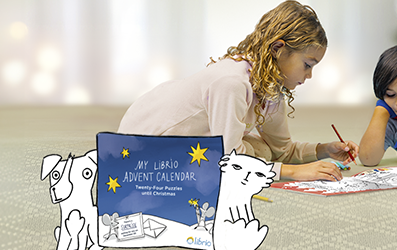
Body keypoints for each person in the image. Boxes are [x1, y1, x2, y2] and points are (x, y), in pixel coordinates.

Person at [118, 1, 358, 181]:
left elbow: (281, 150)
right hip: (143, 142)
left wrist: (323, 150)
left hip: (190, 138)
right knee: (244, 156)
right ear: (278, 49)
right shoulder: (232, 83)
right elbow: (228, 163)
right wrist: (294, 172)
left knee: (262, 150)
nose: (309, 75)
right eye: (307, 65)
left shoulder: (271, 89)